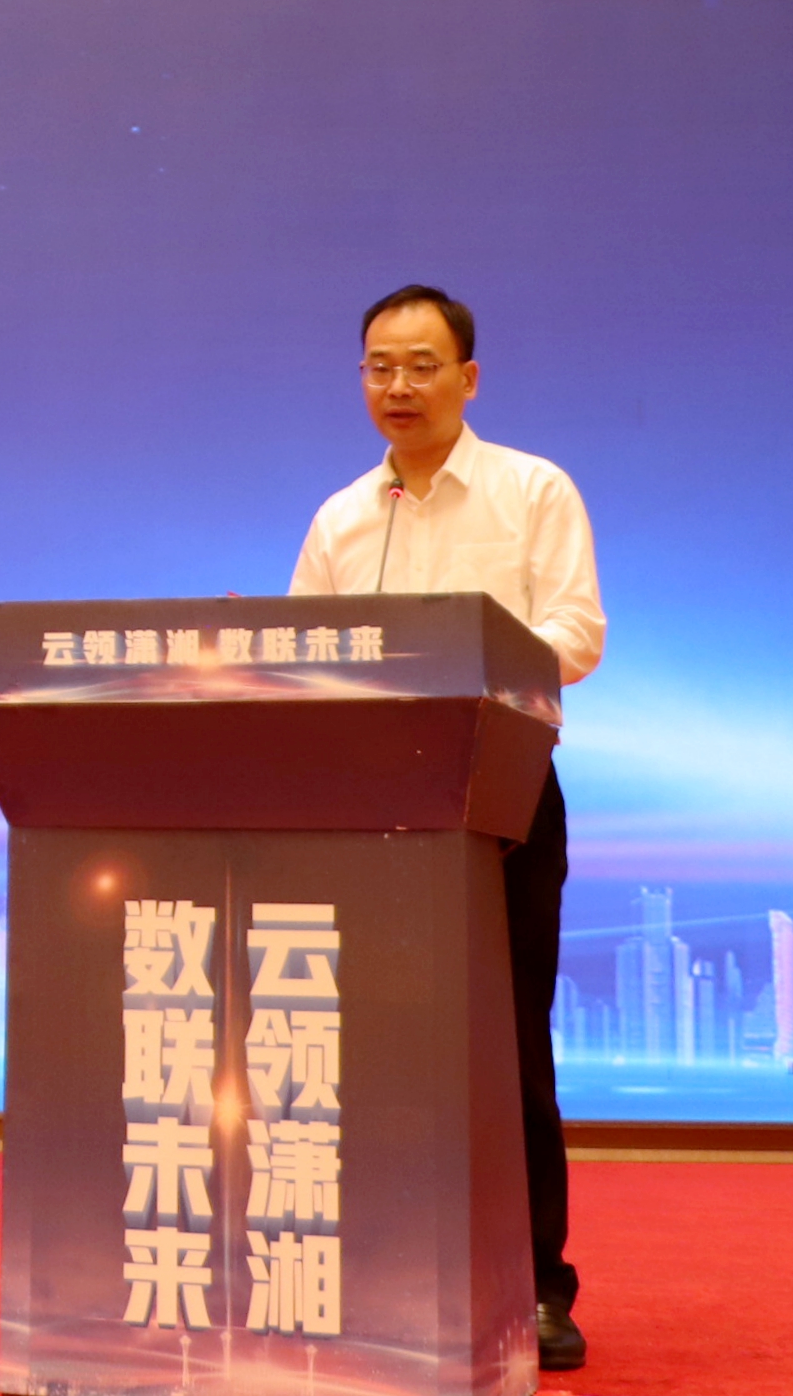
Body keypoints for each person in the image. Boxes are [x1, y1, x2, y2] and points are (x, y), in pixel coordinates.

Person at [290, 284, 603, 1374]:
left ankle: (536, 1286)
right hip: (367, 809)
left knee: (508, 1047)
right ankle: (380, 1276)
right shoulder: (340, 516)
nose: (398, 385)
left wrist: (456, 657)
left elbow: (575, 632)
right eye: (379, 365)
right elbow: (305, 658)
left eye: (420, 365)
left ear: (466, 378)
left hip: (498, 795)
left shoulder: (531, 489)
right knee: (371, 1045)